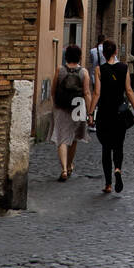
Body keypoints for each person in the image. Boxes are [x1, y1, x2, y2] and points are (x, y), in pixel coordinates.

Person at [90, 39, 134, 193]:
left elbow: (97, 93)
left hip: (105, 113)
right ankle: (118, 169)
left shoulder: (99, 70)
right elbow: (129, 90)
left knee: (106, 148)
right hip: (120, 113)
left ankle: (108, 184)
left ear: (104, 54)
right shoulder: (124, 68)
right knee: (118, 145)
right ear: (116, 52)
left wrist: (90, 113)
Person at [50, 44, 88, 182]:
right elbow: (87, 93)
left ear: (66, 56)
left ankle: (64, 169)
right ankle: (70, 165)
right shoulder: (84, 72)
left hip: (61, 106)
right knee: (74, 137)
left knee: (61, 137)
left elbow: (53, 90)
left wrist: (55, 103)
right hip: (78, 106)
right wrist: (89, 111)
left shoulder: (59, 70)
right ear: (79, 57)